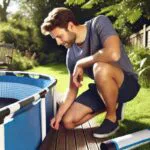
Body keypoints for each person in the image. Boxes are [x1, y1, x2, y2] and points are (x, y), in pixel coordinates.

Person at [41, 7, 140, 138]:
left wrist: (81, 63)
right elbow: (72, 90)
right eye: (55, 38)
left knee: (100, 67)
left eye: (59, 36)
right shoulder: (71, 55)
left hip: (127, 84)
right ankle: (114, 106)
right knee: (68, 121)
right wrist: (58, 116)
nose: (58, 42)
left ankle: (112, 118)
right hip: (102, 88)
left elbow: (113, 53)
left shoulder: (99, 23)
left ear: (70, 26)